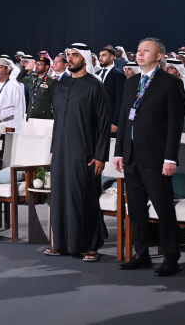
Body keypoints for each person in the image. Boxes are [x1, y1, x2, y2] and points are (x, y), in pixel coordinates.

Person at [114, 37, 185, 277]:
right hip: (131, 156)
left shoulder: (171, 83)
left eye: (146, 50)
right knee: (136, 209)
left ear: (159, 56)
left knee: (164, 210)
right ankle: (141, 254)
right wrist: (119, 151)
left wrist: (170, 158)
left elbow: (175, 124)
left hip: (156, 158)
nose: (140, 54)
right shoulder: (131, 82)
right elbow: (124, 119)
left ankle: (171, 257)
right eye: (138, 50)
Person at [46, 45, 111, 261]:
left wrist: (100, 155)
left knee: (83, 198)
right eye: (68, 56)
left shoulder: (96, 86)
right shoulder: (59, 86)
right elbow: (58, 122)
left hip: (85, 153)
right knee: (60, 197)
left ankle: (90, 245)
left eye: (75, 55)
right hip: (61, 152)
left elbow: (103, 124)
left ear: (85, 59)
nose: (70, 59)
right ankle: (61, 243)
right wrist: (54, 151)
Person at [0, 55, 26, 129]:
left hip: (9, 125)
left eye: (0, 67)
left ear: (7, 70)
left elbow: (20, 110)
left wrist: (17, 130)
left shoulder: (15, 87)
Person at [96, 46, 126, 130]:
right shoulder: (97, 74)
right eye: (100, 56)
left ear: (112, 57)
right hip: (96, 119)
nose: (100, 58)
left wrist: (116, 122)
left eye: (104, 55)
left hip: (110, 119)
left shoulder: (119, 75)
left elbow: (120, 100)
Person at [26, 55, 57, 121]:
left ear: (47, 67)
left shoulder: (51, 81)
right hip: (31, 114)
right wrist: (26, 69)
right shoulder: (33, 78)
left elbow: (56, 101)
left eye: (39, 64)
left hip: (45, 116)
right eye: (36, 64)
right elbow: (19, 78)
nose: (36, 66)